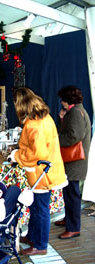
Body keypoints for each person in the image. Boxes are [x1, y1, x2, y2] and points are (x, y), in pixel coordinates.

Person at [7, 87, 68, 256]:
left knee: (40, 209)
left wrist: (17, 155)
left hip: (41, 174)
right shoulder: (44, 117)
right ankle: (34, 237)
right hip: (44, 171)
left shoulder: (34, 124)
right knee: (36, 207)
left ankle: (40, 245)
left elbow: (37, 154)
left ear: (20, 104)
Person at [55, 85, 91, 239]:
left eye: (63, 100)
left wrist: (55, 139)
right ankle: (69, 219)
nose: (61, 103)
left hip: (74, 162)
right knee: (69, 193)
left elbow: (73, 136)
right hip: (73, 161)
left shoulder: (76, 112)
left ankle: (74, 227)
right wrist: (62, 118)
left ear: (67, 99)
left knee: (72, 195)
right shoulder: (77, 111)